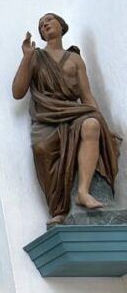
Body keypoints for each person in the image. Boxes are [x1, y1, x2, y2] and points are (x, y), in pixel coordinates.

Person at [11, 13, 120, 224]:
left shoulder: (75, 60)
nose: (45, 24)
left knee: (91, 125)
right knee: (41, 149)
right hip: (46, 118)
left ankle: (83, 192)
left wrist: (103, 125)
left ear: (62, 26)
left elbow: (87, 96)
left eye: (50, 20)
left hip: (73, 113)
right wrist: (26, 57)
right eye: (42, 24)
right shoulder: (36, 57)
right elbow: (17, 91)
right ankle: (58, 209)